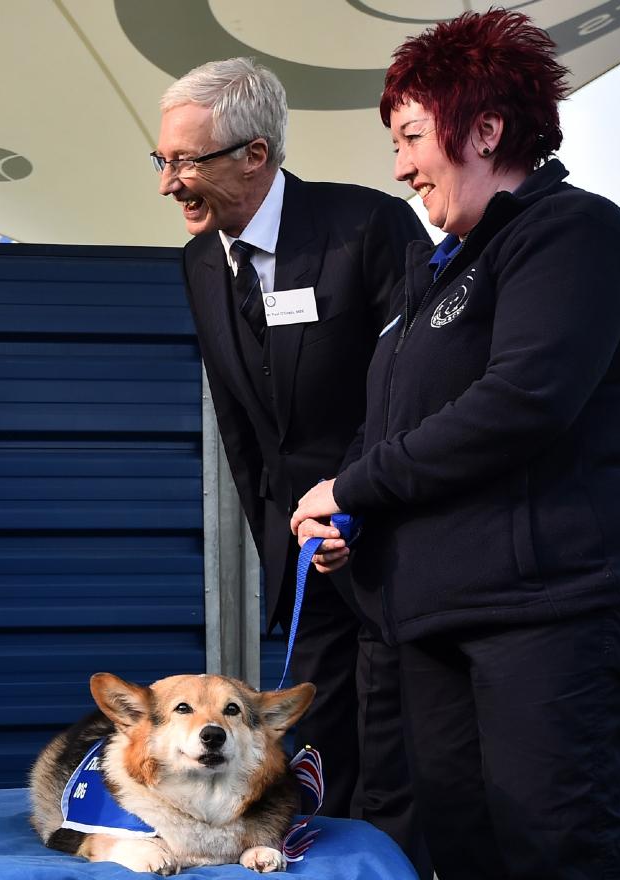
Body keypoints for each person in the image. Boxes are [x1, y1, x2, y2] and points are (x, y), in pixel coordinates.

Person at [291, 10, 620, 879]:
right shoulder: (439, 276)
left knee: (557, 846)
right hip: (439, 620)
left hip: (555, 609)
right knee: (463, 849)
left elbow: (523, 400)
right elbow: (393, 429)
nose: (398, 167)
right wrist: (349, 509)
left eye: (412, 136)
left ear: (486, 128)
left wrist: (359, 486)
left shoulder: (573, 233)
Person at [155, 57, 429, 873]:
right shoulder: (200, 263)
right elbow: (243, 432)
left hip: (396, 546)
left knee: (400, 753)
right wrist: (282, 542)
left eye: (187, 161)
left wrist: (352, 505)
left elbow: (411, 393)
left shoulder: (370, 230)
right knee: (308, 760)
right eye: (163, 159)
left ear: (256, 155)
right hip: (306, 560)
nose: (170, 184)